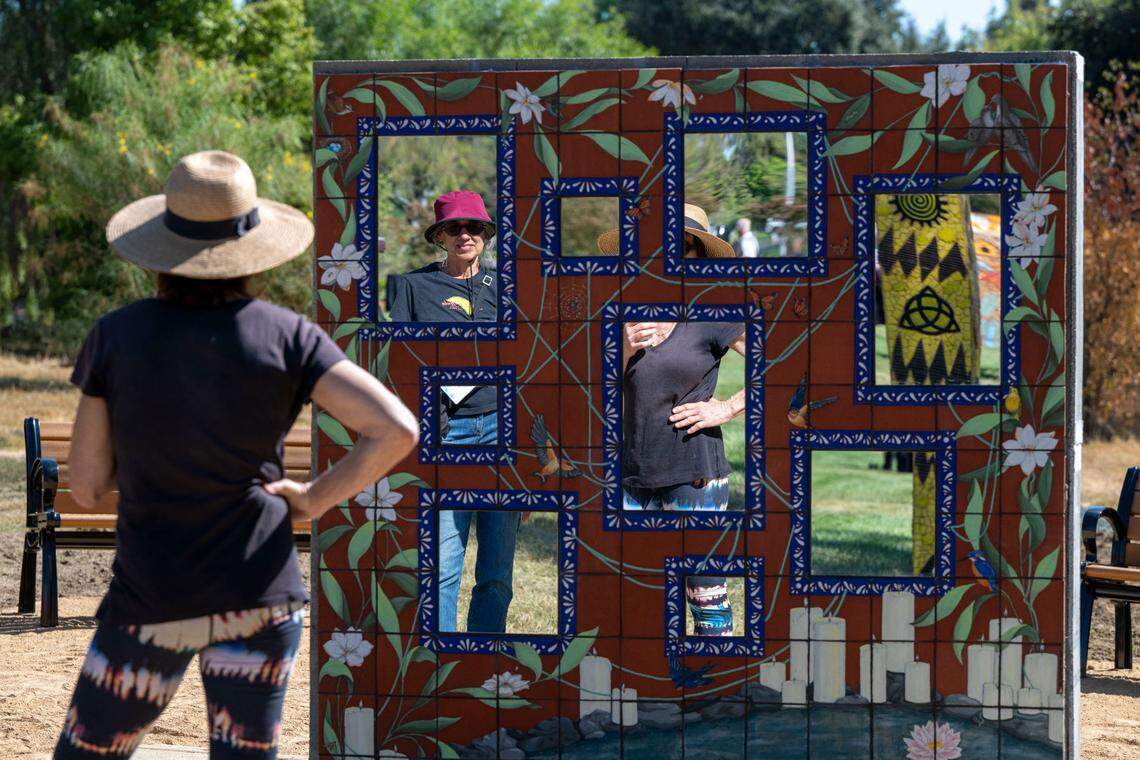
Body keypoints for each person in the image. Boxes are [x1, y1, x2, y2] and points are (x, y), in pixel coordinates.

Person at [56, 151, 419, 758]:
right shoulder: (289, 335)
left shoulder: (115, 336)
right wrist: (312, 499)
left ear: (162, 244)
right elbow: (397, 429)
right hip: (261, 593)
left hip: (153, 596)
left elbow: (87, 487)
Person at [600, 203, 748, 637]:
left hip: (693, 475)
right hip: (627, 475)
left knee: (706, 598)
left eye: (684, 247)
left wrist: (727, 408)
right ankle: (654, 699)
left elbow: (791, 366)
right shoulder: (618, 309)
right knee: (637, 599)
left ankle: (713, 695)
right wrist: (622, 347)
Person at [386, 190, 517, 634]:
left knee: (497, 573)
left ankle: (484, 660)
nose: (466, 235)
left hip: (503, 433)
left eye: (475, 227)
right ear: (440, 236)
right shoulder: (410, 287)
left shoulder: (508, 288)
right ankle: (440, 668)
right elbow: (399, 365)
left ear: (486, 234)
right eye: (455, 228)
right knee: (441, 566)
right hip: (445, 434)